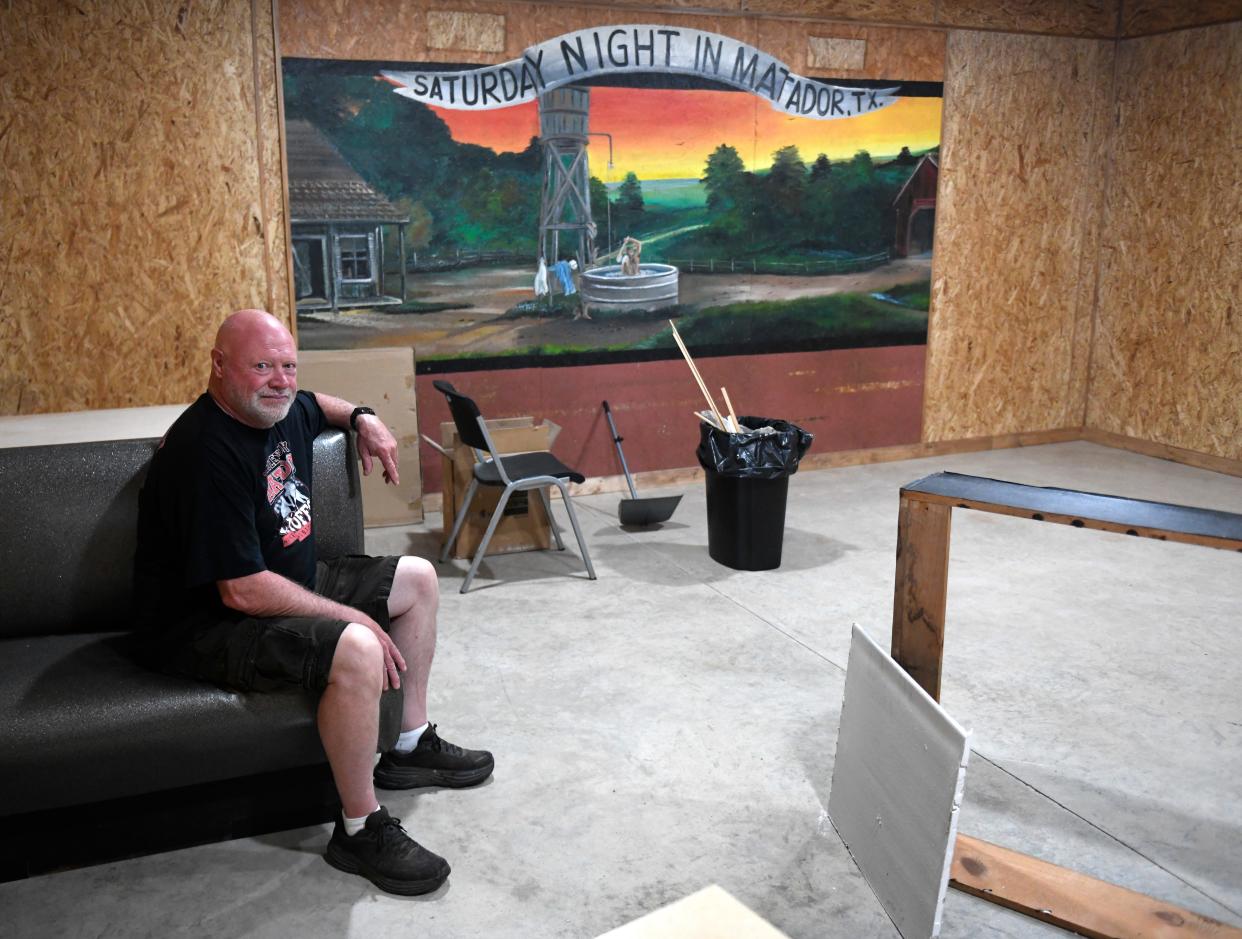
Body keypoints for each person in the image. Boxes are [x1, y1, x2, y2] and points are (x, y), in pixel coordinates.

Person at [133, 308, 492, 896]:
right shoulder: (205, 450)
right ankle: (357, 827)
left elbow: (315, 401)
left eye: (287, 365)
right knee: (355, 646)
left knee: (420, 578)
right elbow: (241, 589)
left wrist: (362, 416)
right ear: (219, 367)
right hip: (207, 621)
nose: (279, 380)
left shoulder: (280, 406)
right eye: (261, 366)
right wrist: (351, 615)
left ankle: (405, 744)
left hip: (283, 581)